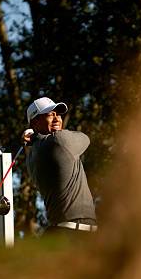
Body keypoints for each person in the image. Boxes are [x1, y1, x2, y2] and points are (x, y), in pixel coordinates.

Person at [22, 97, 97, 235]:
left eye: (58, 114)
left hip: (59, 229)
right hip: (76, 231)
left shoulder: (31, 157)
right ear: (35, 122)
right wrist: (35, 137)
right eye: (50, 114)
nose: (57, 119)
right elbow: (85, 138)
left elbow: (41, 141)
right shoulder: (59, 141)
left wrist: (34, 137)